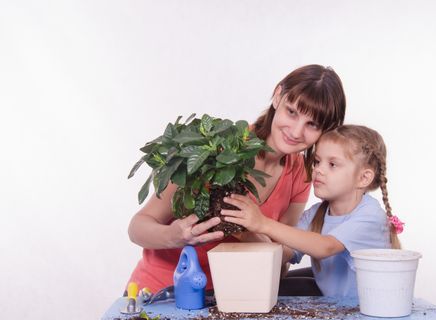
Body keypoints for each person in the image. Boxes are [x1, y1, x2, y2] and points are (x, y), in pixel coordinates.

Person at [126, 64, 346, 294]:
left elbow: (282, 254)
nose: (297, 131)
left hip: (231, 301)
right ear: (277, 96)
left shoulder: (300, 171)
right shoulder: (216, 150)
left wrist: (255, 233)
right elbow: (138, 227)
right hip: (164, 293)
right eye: (292, 112)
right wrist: (175, 236)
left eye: (312, 124)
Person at [222, 125, 403, 298]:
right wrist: (246, 230)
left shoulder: (370, 215)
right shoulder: (315, 214)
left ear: (364, 178)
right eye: (317, 162)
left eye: (332, 164)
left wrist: (263, 223)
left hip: (368, 313)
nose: (318, 170)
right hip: (336, 307)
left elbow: (325, 247)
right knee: (277, 287)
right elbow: (286, 252)